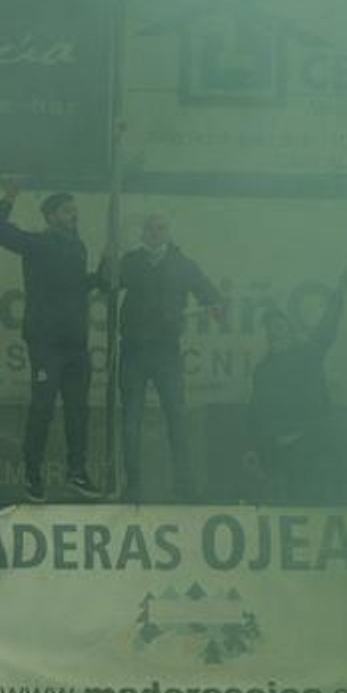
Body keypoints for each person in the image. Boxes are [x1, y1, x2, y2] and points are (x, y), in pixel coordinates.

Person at [0, 181, 102, 501]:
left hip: (76, 342)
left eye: (75, 212)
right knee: (43, 408)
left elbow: (81, 286)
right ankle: (32, 475)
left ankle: (77, 472)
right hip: (46, 342)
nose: (74, 217)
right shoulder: (37, 243)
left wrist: (105, 271)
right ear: (51, 216)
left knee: (79, 410)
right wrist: (7, 198)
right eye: (67, 212)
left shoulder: (78, 247)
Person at [104, 214, 223, 502]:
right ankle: (133, 486)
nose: (155, 233)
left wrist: (214, 308)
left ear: (168, 232)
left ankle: (184, 484)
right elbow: (106, 286)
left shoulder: (183, 265)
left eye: (160, 228)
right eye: (150, 229)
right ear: (143, 233)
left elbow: (212, 297)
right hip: (133, 350)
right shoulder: (131, 261)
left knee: (177, 418)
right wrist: (106, 262)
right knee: (131, 420)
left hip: (166, 351)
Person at [247, 272, 347, 502]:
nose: (276, 329)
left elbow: (327, 328)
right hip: (277, 449)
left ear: (289, 329)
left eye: (280, 324)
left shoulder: (307, 354)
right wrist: (254, 448)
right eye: (271, 326)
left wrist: (338, 296)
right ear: (267, 333)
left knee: (313, 498)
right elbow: (256, 412)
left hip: (311, 440)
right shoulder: (262, 370)